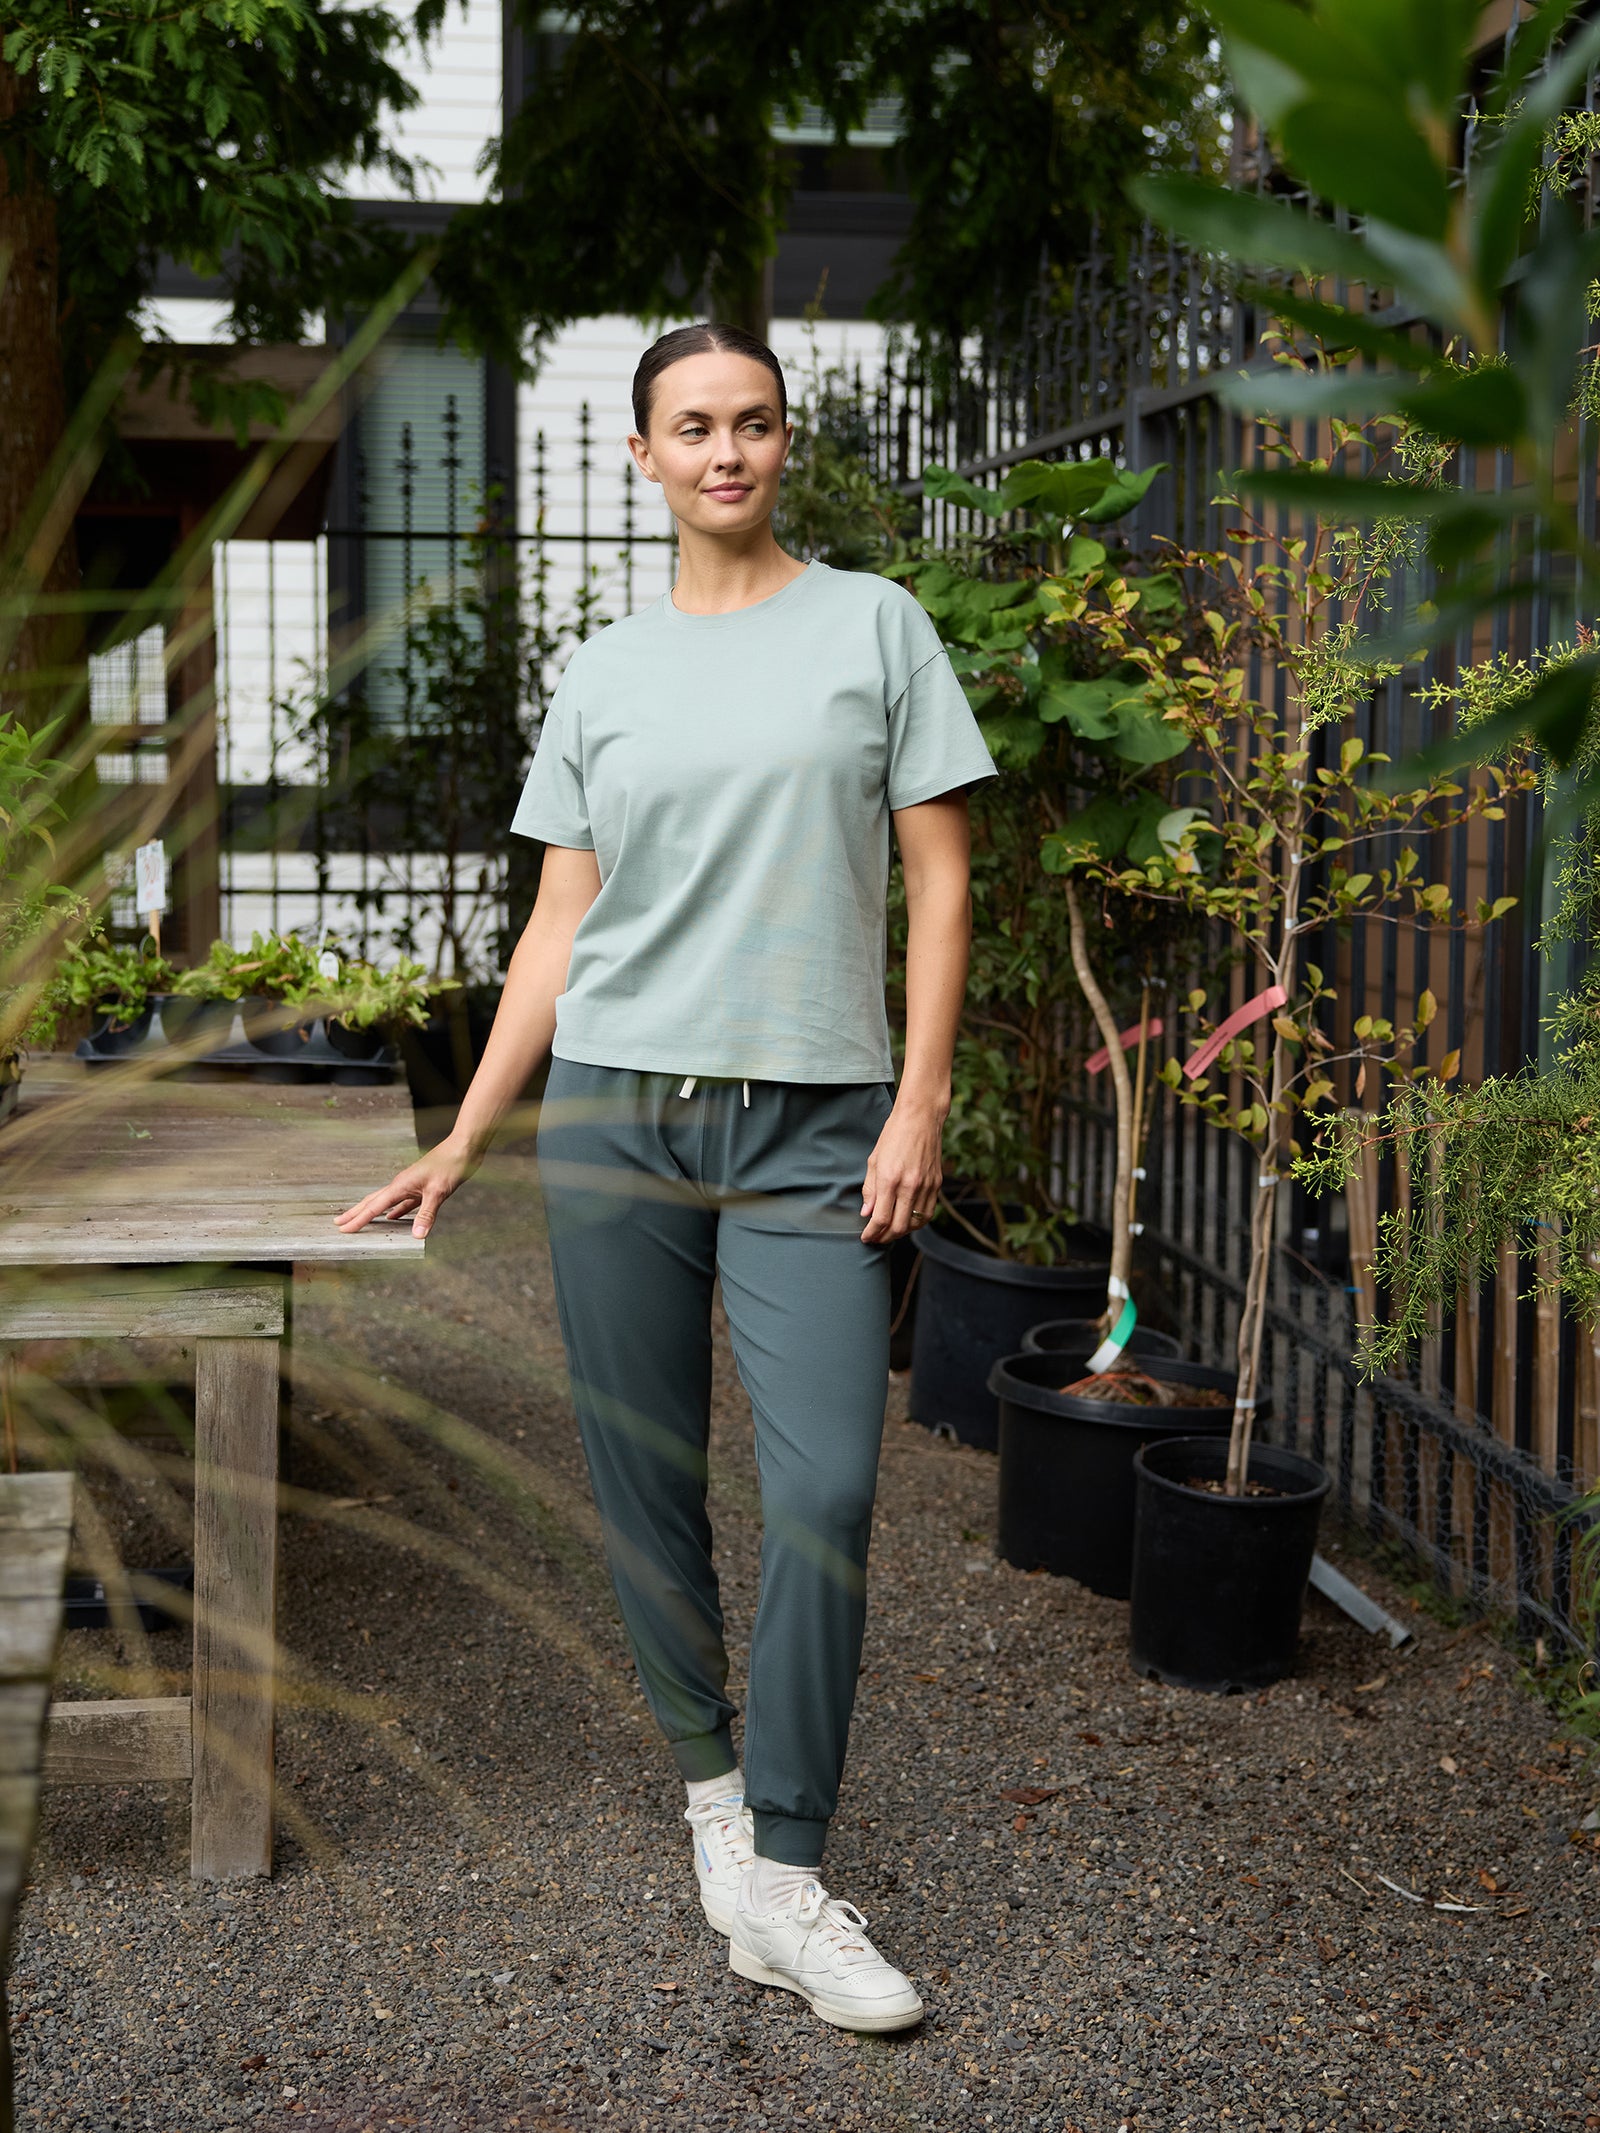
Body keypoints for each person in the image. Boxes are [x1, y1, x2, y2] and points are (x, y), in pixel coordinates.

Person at [335, 322, 996, 2035]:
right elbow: (562, 920)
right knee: (642, 1482)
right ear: (644, 457)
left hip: (813, 1127)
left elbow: (937, 882)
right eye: (693, 427)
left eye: (754, 423)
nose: (727, 451)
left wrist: (919, 1101)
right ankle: (722, 1805)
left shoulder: (877, 628)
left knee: (831, 1492)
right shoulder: (602, 671)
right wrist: (471, 1130)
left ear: (787, 444)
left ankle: (788, 1864)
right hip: (617, 1118)